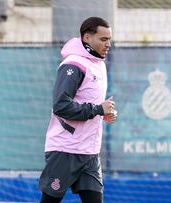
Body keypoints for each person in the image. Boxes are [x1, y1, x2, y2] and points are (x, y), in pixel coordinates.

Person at [39, 16, 117, 203]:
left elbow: (88, 104)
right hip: (65, 150)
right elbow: (61, 106)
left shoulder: (99, 65)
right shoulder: (73, 65)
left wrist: (103, 113)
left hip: (89, 152)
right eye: (103, 39)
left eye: (110, 40)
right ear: (87, 38)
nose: (108, 44)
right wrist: (98, 109)